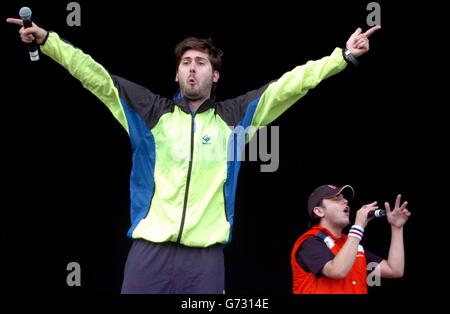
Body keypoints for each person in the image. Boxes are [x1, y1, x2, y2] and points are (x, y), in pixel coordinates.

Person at [7, 15, 380, 293]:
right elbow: (95, 76)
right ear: (176, 73)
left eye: (201, 63)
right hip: (148, 253)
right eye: (186, 62)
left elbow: (287, 87)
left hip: (204, 260)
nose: (192, 68)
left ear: (214, 76)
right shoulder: (150, 113)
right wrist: (48, 41)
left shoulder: (235, 118)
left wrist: (342, 56)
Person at [291, 184, 411, 294]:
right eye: (336, 198)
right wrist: (358, 226)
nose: (345, 201)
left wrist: (397, 228)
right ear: (319, 211)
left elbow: (394, 270)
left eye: (344, 198)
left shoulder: (350, 245)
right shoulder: (309, 242)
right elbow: (337, 271)